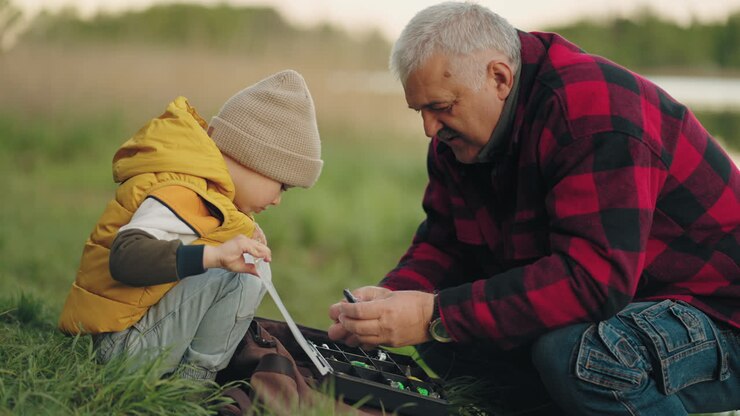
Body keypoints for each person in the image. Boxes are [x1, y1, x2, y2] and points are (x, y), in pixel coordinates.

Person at [328, 3, 739, 415]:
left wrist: (437, 314)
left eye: (442, 107)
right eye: (421, 111)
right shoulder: (461, 141)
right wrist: (391, 300)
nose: (429, 129)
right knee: (436, 332)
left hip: (719, 313)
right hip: (627, 310)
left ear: (499, 78)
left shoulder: (592, 113)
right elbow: (445, 244)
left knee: (578, 355)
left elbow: (594, 280)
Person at [59, 69, 323, 382]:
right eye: (282, 185)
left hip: (139, 337)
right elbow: (124, 257)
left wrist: (233, 235)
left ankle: (191, 381)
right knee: (236, 277)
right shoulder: (181, 192)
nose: (278, 199)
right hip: (122, 348)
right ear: (252, 158)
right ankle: (192, 385)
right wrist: (214, 256)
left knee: (242, 271)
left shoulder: (210, 196)